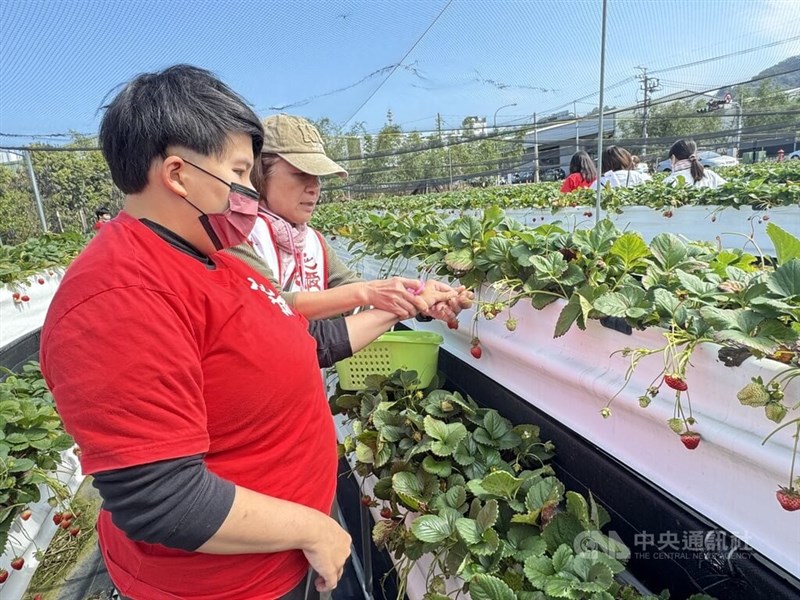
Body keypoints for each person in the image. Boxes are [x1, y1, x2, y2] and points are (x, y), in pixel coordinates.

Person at [39, 65, 406, 600]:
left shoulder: (216, 260)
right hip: (234, 586)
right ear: (178, 174)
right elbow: (160, 496)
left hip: (290, 556)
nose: (247, 193)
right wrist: (314, 527)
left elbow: (306, 345)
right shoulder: (118, 296)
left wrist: (396, 305)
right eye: (237, 173)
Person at [226, 114, 472, 323]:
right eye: (301, 174)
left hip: (306, 376)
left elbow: (355, 300)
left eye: (319, 176)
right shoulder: (235, 235)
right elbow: (272, 304)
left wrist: (421, 301)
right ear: (259, 173)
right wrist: (368, 292)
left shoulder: (313, 242)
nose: (314, 187)